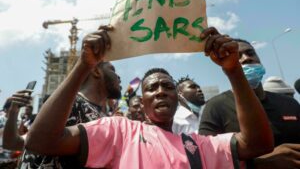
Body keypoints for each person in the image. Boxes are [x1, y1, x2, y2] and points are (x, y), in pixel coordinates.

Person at [25, 27, 273, 168]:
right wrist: (82, 65)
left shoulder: (199, 145)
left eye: (167, 86)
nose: (161, 91)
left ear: (178, 98)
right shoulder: (118, 131)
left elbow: (258, 145)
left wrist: (233, 70)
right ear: (141, 103)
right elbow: (41, 141)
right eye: (151, 89)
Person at [20, 27, 122, 168]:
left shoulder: (104, 117)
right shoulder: (68, 103)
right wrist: (83, 64)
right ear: (96, 71)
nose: (119, 77)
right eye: (113, 70)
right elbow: (36, 142)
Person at [199, 38, 300, 169]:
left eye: (250, 53)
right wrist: (259, 163)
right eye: (238, 56)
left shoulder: (289, 103)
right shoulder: (215, 107)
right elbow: (206, 158)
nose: (247, 58)